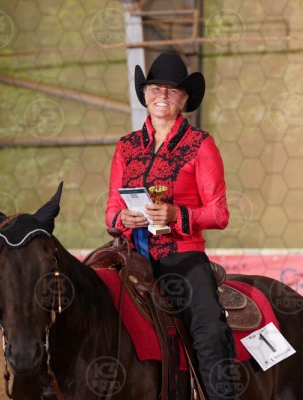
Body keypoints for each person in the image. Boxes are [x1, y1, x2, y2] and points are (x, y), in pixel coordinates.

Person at [106, 52, 235, 399]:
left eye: (172, 89)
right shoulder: (126, 147)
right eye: (155, 88)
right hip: (129, 254)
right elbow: (111, 211)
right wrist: (122, 219)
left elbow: (219, 213)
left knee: (209, 331)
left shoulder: (200, 145)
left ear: (185, 99)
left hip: (181, 258)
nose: (162, 95)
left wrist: (177, 215)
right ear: (144, 94)